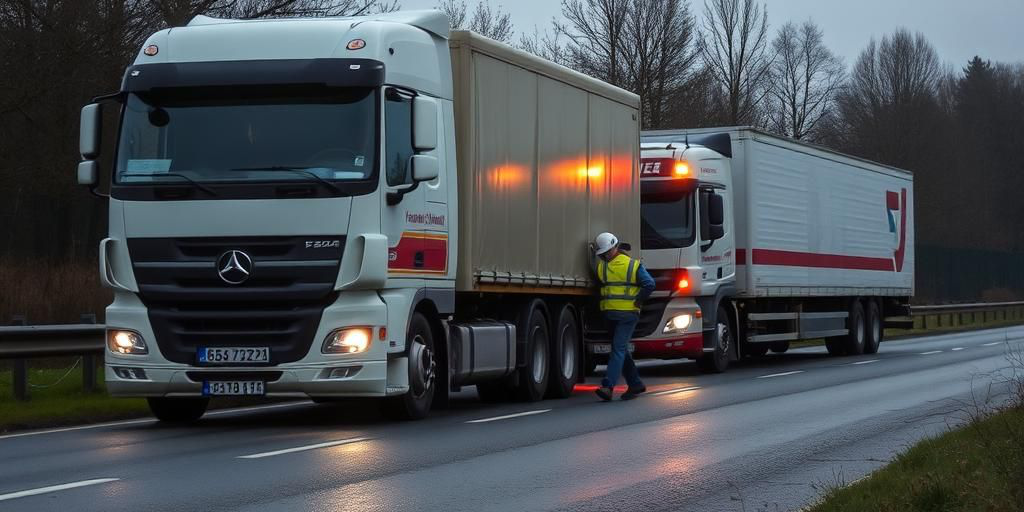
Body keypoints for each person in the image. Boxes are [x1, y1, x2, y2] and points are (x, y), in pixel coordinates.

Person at [590, 232, 656, 401]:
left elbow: (650, 284)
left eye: (607, 252)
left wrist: (637, 302)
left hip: (623, 315)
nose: (606, 255)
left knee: (618, 349)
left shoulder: (616, 266)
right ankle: (635, 384)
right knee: (621, 350)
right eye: (604, 253)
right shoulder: (628, 266)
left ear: (615, 247)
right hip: (618, 314)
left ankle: (608, 386)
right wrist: (638, 301)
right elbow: (648, 284)